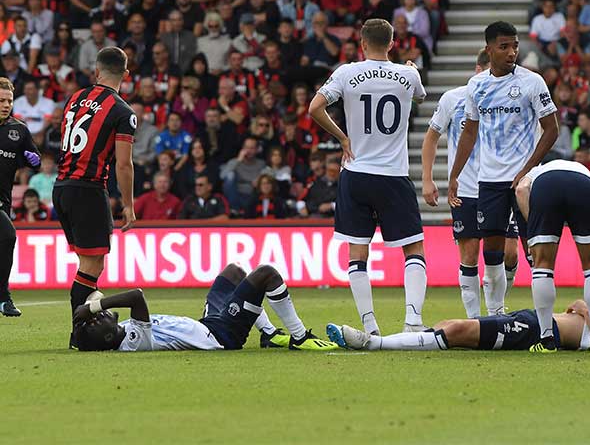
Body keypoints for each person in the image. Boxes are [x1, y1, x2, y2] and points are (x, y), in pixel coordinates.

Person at [310, 18, 427, 334]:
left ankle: (370, 325)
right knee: (413, 249)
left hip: (356, 172)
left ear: (361, 44)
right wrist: (410, 67)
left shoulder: (347, 72)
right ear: (391, 43)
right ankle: (413, 322)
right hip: (393, 174)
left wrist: (343, 138)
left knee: (358, 252)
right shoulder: (408, 74)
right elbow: (420, 96)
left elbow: (315, 107)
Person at [448, 22, 559, 315]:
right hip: (490, 181)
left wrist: (527, 169)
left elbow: (551, 129)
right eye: (504, 46)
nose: (512, 52)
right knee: (492, 250)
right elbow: (469, 132)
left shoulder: (532, 82)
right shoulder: (477, 85)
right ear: (489, 49)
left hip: (525, 182)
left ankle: (544, 319)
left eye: (515, 46)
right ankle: (495, 312)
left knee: (534, 249)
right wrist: (454, 175)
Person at [422, 50, 520, 318]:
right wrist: (428, 178)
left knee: (507, 253)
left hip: (500, 185)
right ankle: (477, 319)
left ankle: (498, 305)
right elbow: (431, 138)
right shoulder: (453, 99)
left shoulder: (509, 100)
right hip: (466, 188)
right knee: (469, 252)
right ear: (478, 69)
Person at [52, 47, 137, 348]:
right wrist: (128, 204)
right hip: (87, 189)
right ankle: (79, 334)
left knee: (88, 264)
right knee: (92, 267)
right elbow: (123, 164)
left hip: (61, 186)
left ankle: (85, 326)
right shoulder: (123, 112)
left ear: (97, 71)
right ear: (126, 75)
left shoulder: (74, 98)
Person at [72, 264, 337, 352]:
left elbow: (94, 311)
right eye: (98, 321)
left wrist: (86, 315)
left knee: (233, 272)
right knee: (266, 274)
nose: (101, 315)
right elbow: (136, 297)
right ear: (108, 337)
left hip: (206, 323)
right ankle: (300, 337)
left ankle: (268, 333)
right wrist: (94, 307)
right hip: (221, 335)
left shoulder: (119, 332)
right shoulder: (133, 340)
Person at [326, 299, 590, 353]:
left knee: (454, 331)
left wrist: (585, 314)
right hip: (535, 321)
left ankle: (373, 344)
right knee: (449, 325)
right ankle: (384, 340)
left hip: (536, 331)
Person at [514, 159, 590, 353]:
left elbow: (520, 190)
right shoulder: (585, 171)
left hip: (546, 187)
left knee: (543, 265)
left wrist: (533, 225)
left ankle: (547, 338)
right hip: (584, 186)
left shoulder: (537, 171)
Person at [0, 77, 40, 316]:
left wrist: (32, 159)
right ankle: (4, 298)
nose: (6, 105)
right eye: (1, 100)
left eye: (9, 101)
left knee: (5, 240)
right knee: (8, 235)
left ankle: (2, 297)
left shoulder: (19, 130)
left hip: (4, 201)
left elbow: (33, 157)